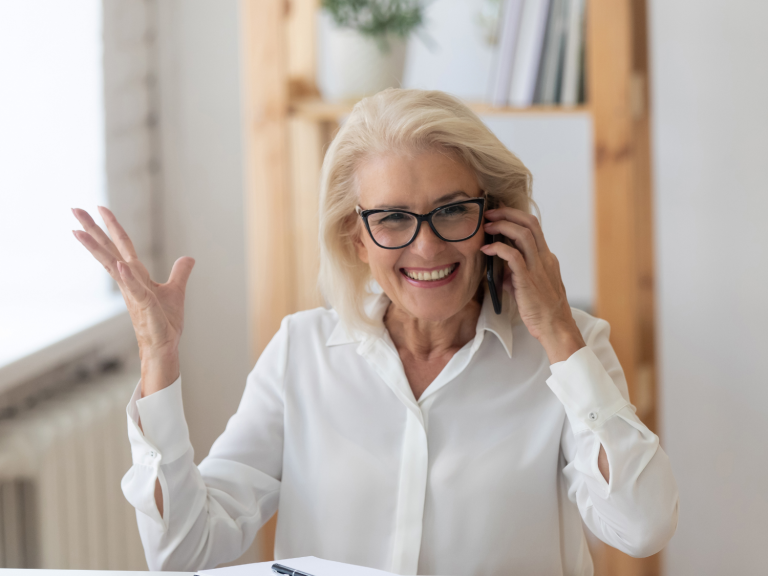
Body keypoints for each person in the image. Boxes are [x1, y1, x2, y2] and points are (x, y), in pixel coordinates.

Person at [72, 89, 678, 575]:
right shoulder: (301, 353)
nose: (428, 245)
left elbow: (643, 528)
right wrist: (159, 357)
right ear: (355, 239)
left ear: (494, 218)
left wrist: (560, 336)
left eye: (451, 210)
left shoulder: (571, 352)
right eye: (392, 218)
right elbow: (182, 550)